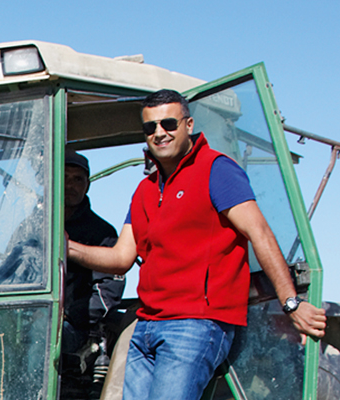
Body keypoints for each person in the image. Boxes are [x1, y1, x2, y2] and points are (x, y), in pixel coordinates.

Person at [68, 90, 326, 400]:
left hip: (194, 325)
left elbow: (261, 234)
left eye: (168, 124)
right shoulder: (145, 190)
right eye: (150, 127)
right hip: (148, 324)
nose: (159, 133)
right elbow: (122, 257)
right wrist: (67, 247)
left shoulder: (216, 169)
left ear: (188, 124)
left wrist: (291, 302)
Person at [63, 148, 125, 354]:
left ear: (87, 186)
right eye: (64, 178)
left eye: (78, 179)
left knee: (45, 342)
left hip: (75, 327)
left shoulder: (102, 233)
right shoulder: (35, 229)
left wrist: (67, 314)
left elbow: (108, 291)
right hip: (32, 321)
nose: (70, 185)